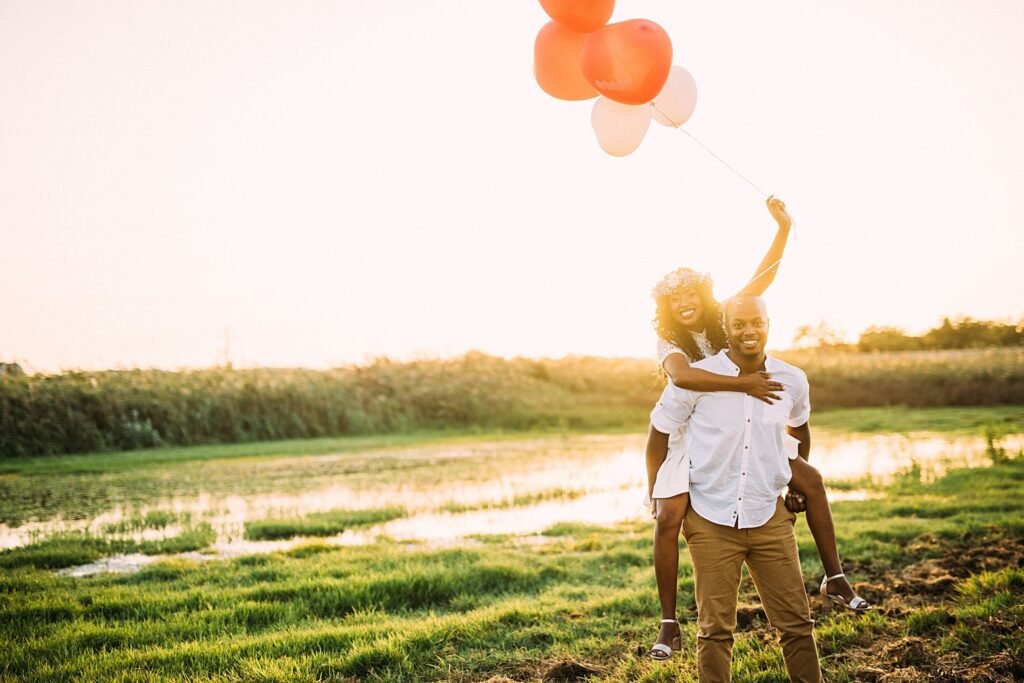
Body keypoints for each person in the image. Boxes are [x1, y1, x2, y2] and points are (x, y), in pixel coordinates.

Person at [646, 199, 869, 661]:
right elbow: (683, 379)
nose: (685, 305)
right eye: (675, 301)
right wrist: (743, 384)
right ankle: (669, 622)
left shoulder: (727, 319)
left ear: (705, 298)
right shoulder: (668, 343)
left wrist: (784, 229)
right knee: (668, 518)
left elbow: (763, 278)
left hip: (750, 428)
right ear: (666, 308)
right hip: (693, 433)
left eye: (692, 297)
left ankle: (836, 576)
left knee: (810, 478)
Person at [651, 295, 824, 681]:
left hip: (769, 517)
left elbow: (799, 427)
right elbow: (659, 431)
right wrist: (655, 490)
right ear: (725, 328)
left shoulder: (791, 378)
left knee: (797, 624)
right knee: (714, 632)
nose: (749, 331)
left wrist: (794, 482)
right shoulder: (698, 376)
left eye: (757, 322)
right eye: (739, 324)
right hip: (711, 517)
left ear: (768, 322)